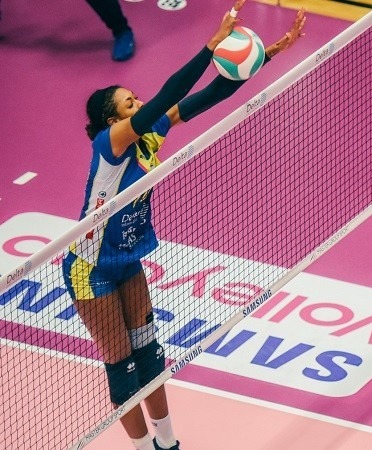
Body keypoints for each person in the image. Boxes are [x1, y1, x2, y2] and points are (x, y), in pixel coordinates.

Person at [63, 2, 305, 450]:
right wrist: (210, 45)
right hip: (90, 268)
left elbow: (212, 94)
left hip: (127, 259)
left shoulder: (148, 135)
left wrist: (265, 55)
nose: (141, 104)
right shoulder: (110, 145)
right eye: (130, 104)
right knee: (122, 367)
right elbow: (166, 96)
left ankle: (168, 443)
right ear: (114, 121)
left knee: (150, 355)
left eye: (136, 99)